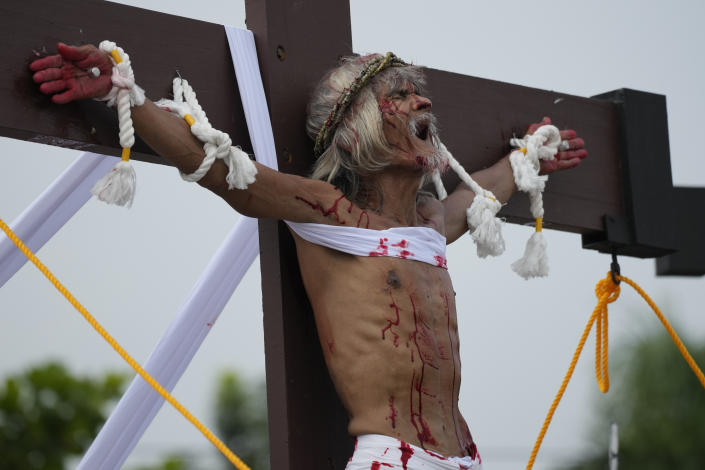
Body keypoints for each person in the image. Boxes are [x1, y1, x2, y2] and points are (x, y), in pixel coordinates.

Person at [30, 44, 587, 469]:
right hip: (391, 458)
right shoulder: (327, 211)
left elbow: (488, 188)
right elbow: (226, 172)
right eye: (399, 94)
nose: (424, 102)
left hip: (468, 456)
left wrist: (530, 153)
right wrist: (122, 91)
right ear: (355, 129)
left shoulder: (431, 221)